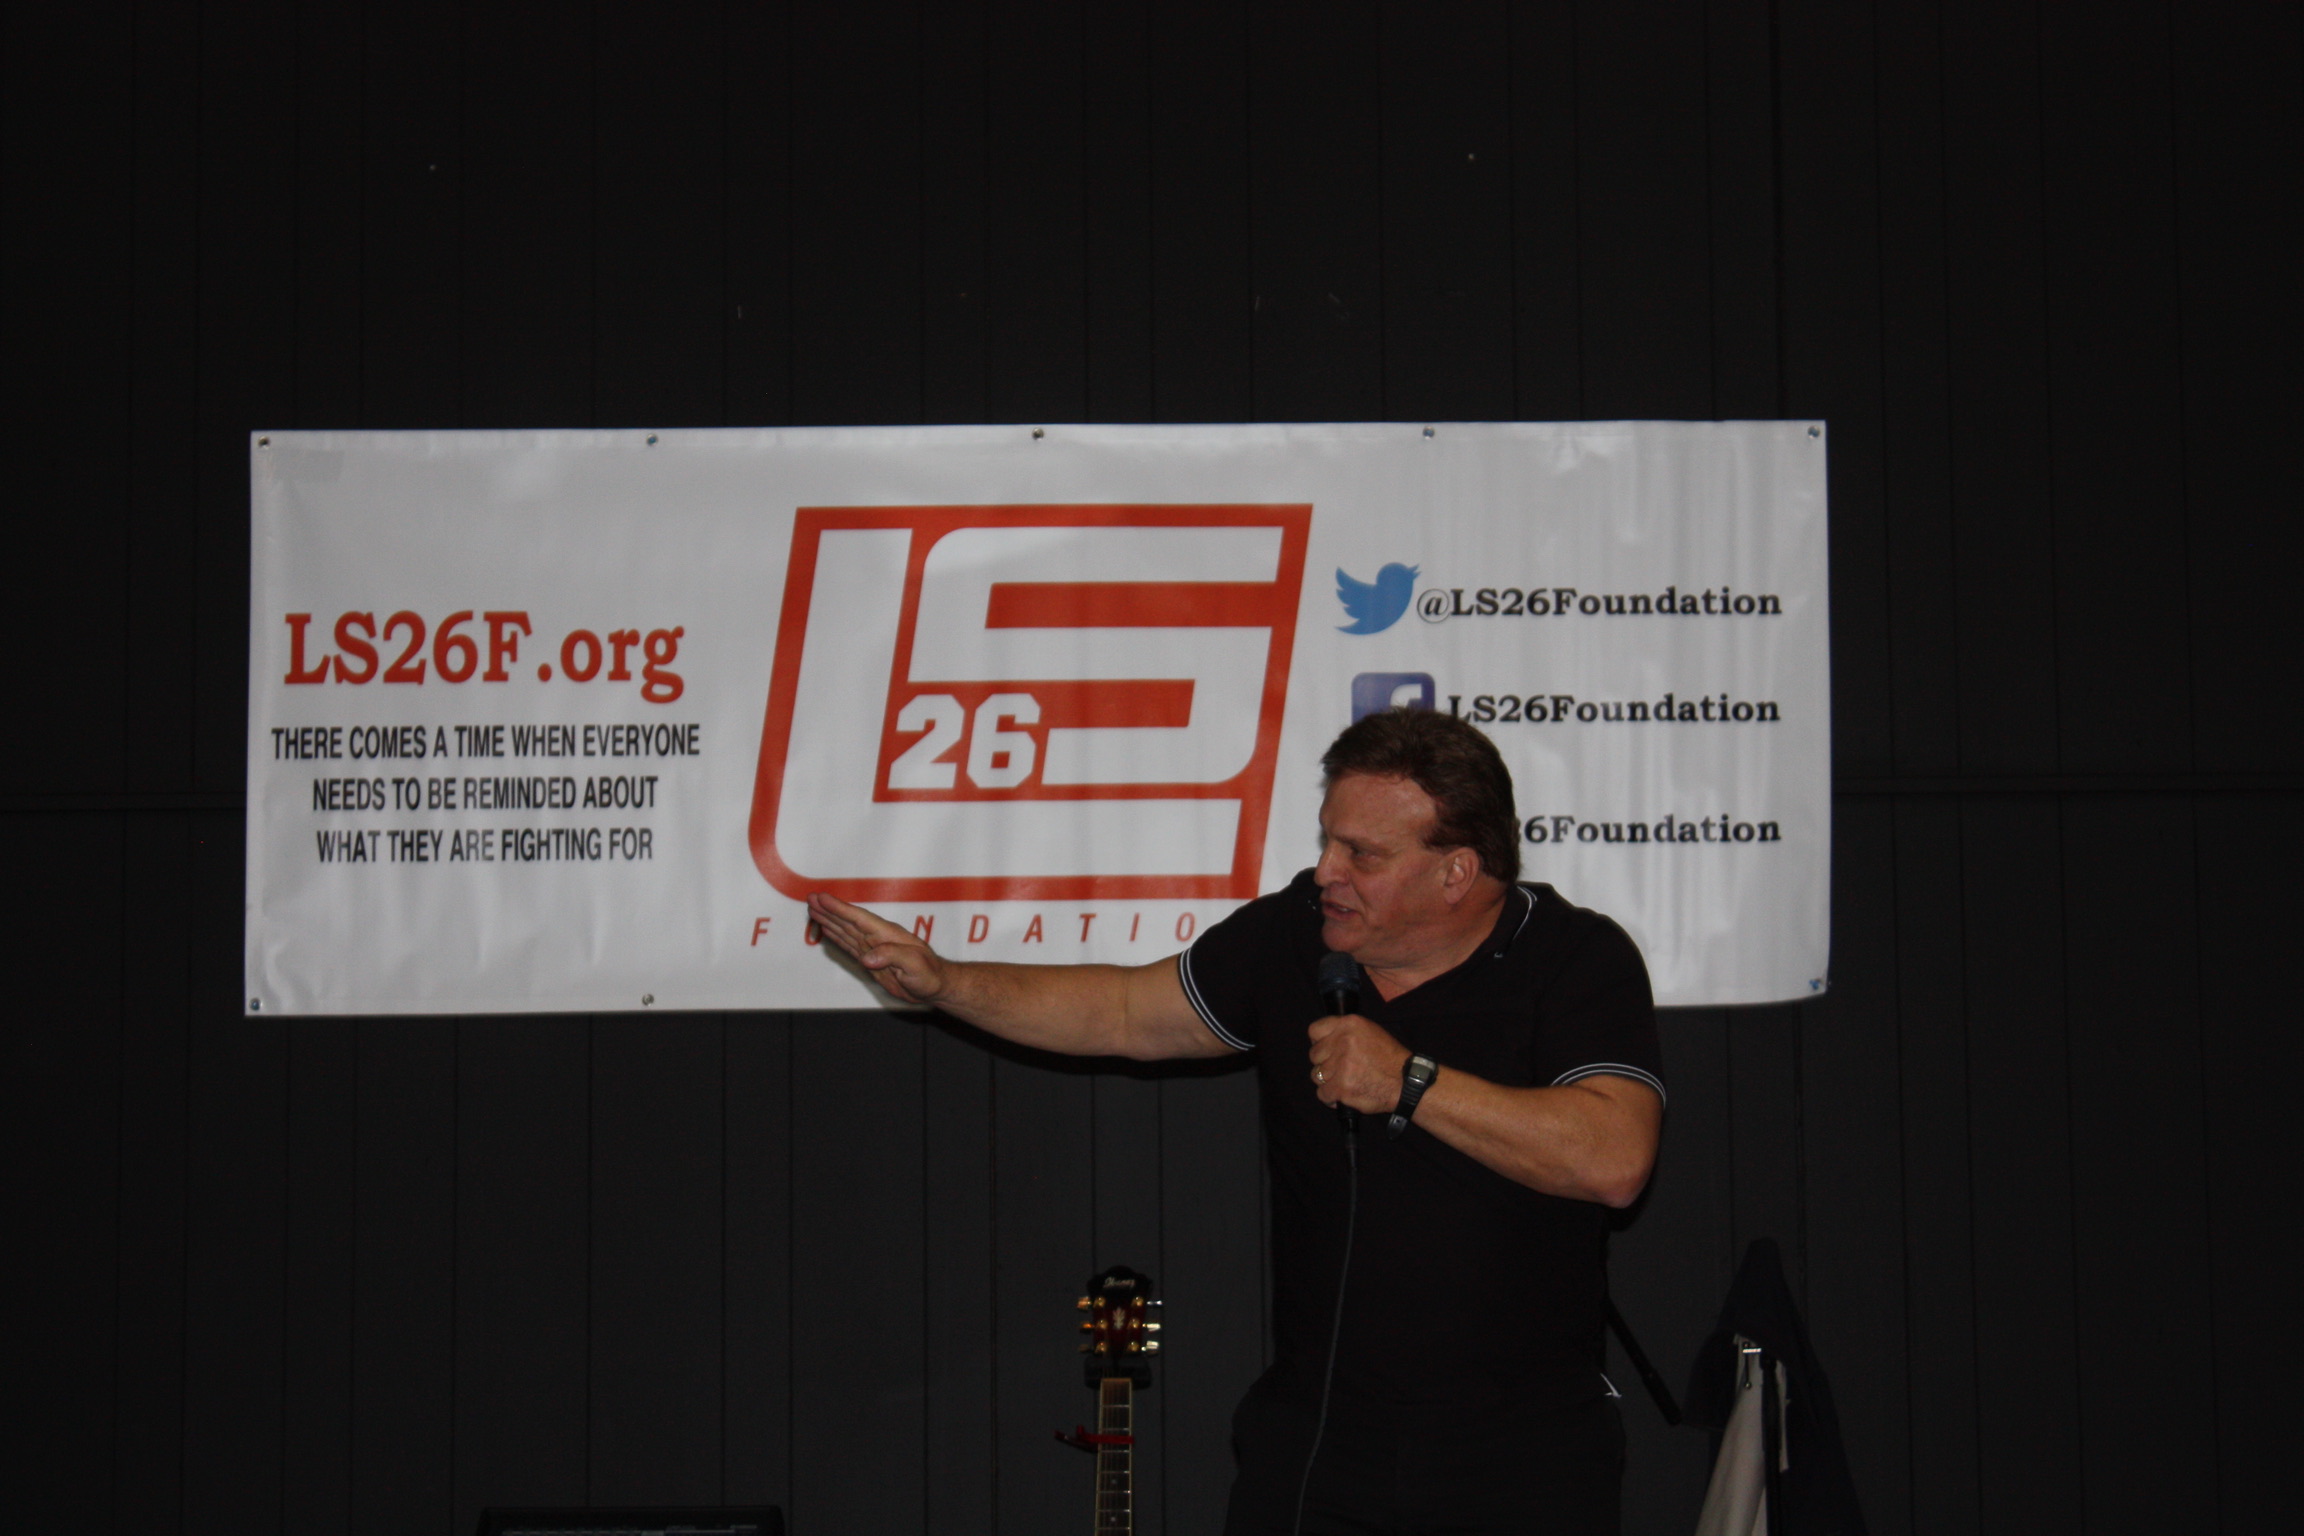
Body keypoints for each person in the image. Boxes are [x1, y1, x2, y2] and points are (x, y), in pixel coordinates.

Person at [808, 708, 1664, 1535]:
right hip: (1320, 1441)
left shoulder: (1575, 958)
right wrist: (947, 982)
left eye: (1361, 853)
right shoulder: (1292, 935)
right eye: (1327, 840)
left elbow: (1615, 1158)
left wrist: (1408, 1082)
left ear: (1456, 872)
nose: (1326, 871)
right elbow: (1122, 1012)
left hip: (1523, 1453)